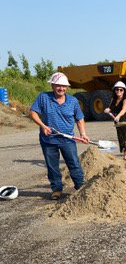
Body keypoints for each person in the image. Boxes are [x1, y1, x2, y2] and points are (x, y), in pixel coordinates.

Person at [29, 72, 88, 200]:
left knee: (74, 164)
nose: (61, 88)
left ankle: (80, 187)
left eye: (63, 86)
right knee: (52, 166)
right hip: (48, 140)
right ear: (52, 85)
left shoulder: (72, 101)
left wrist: (83, 134)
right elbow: (33, 112)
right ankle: (56, 190)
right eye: (58, 86)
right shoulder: (43, 97)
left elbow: (80, 119)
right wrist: (43, 126)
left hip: (67, 139)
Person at [104, 81, 126, 161]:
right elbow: (111, 108)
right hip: (118, 120)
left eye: (121, 90)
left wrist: (118, 116)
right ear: (114, 90)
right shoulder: (113, 99)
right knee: (121, 137)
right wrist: (108, 109)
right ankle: (125, 156)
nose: (118, 91)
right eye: (117, 90)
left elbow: (124, 109)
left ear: (124, 91)